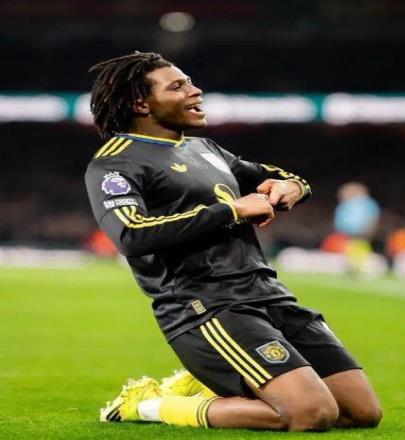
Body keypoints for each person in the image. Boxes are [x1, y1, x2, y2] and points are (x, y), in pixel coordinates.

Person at [85, 51, 382, 432]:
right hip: (207, 306)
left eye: (190, 82)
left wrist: (291, 188)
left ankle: (219, 386)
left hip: (268, 293)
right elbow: (131, 233)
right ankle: (148, 406)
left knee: (362, 413)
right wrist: (231, 210)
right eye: (177, 87)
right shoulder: (115, 163)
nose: (195, 90)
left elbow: (283, 178)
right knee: (310, 414)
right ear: (141, 103)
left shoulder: (204, 149)